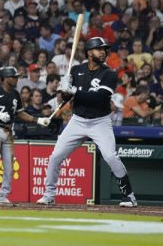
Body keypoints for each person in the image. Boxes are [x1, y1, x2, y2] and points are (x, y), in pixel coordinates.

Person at [37, 37, 139, 207]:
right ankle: (49, 194)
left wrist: (74, 90)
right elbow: (66, 98)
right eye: (100, 49)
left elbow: (100, 97)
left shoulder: (109, 74)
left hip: (100, 121)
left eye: (105, 50)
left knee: (110, 156)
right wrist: (64, 89)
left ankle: (129, 196)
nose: (104, 52)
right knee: (55, 156)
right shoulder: (76, 70)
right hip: (77, 120)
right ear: (90, 52)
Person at [0, 67, 50, 204]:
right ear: (6, 78)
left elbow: (20, 113)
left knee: (9, 166)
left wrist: (37, 120)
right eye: (14, 77)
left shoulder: (15, 94)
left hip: (9, 131)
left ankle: (3, 196)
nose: (16, 79)